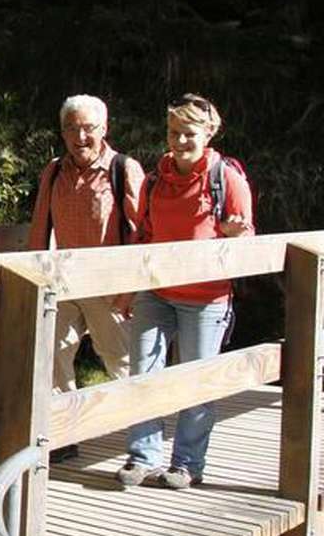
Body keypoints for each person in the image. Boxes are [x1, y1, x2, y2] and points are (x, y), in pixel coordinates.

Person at [116, 93, 253, 490]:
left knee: (197, 380)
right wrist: (130, 289)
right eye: (174, 133)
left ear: (208, 133)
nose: (179, 142)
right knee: (143, 372)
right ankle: (143, 457)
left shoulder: (226, 177)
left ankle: (188, 463)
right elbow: (145, 235)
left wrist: (234, 235)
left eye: (189, 134)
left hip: (206, 298)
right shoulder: (156, 178)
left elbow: (248, 240)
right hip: (156, 293)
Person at [27, 94, 145, 396]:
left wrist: (129, 293)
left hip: (110, 286)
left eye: (88, 127)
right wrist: (34, 283)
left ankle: (141, 433)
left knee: (123, 363)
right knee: (49, 358)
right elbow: (40, 229)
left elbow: (142, 234)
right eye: (70, 128)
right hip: (64, 283)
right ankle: (61, 432)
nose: (80, 137)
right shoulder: (54, 171)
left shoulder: (123, 169)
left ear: (103, 128)